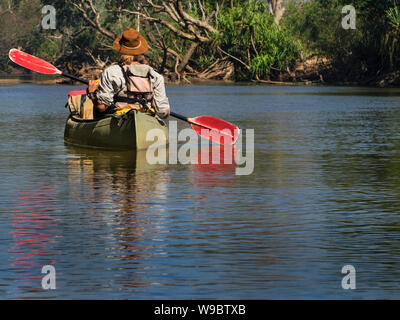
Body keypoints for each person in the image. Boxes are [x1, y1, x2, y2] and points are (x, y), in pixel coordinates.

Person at [86, 28, 170, 119]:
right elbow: (163, 113)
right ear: (141, 50)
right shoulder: (155, 76)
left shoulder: (111, 72)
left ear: (120, 50)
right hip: (145, 120)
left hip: (119, 121)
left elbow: (101, 108)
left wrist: (92, 94)